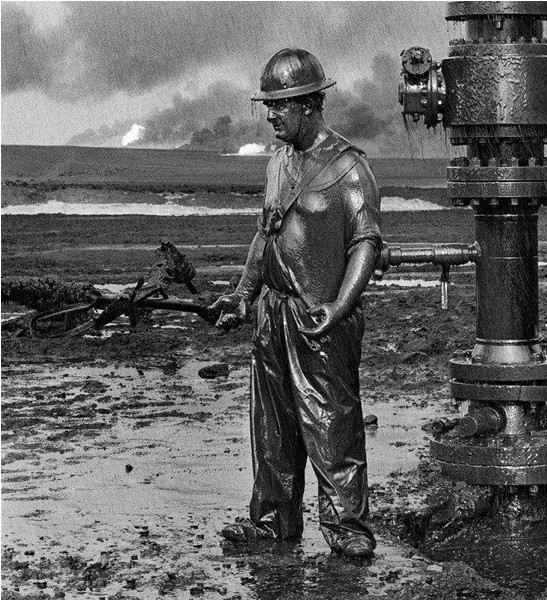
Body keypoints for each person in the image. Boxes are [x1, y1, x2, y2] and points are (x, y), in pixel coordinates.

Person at [211, 48, 381, 558]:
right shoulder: (278, 164)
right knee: (272, 428)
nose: (270, 115)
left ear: (308, 104)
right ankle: (272, 522)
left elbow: (366, 244)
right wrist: (244, 294)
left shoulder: (349, 167)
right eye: (267, 105)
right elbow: (266, 234)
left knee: (331, 426)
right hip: (273, 315)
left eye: (278, 105)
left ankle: (348, 528)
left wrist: (340, 307)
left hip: (320, 320)